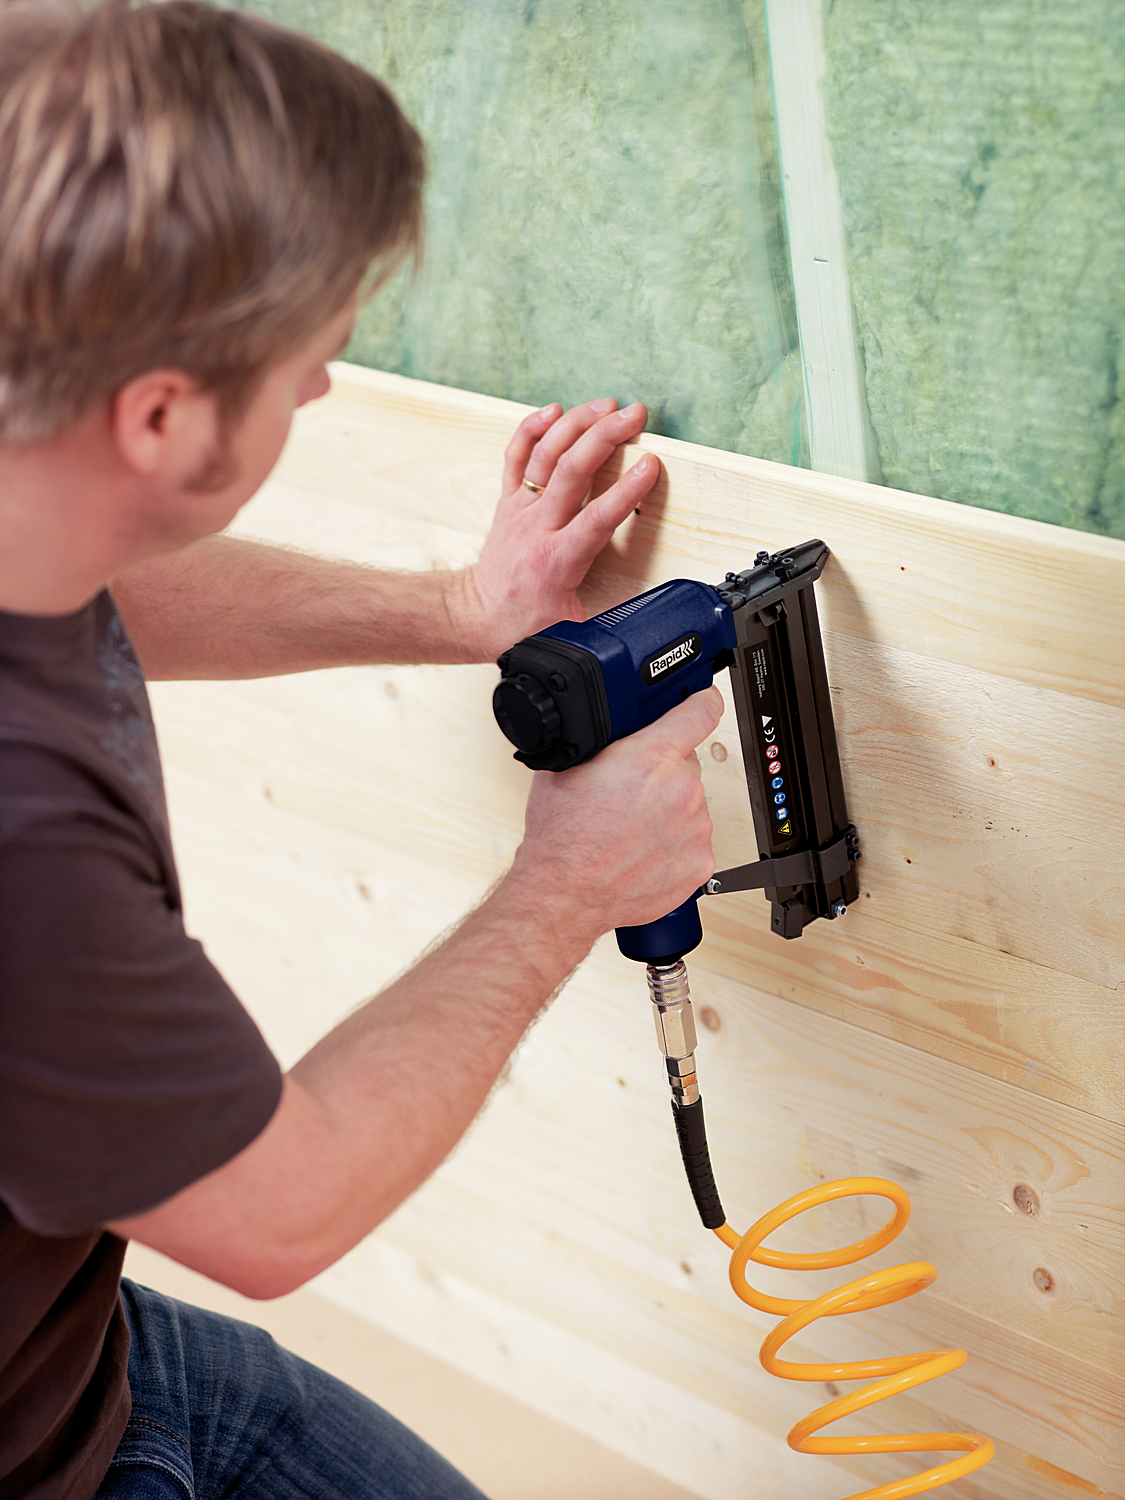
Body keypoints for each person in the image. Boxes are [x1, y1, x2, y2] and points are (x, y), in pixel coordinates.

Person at [0, 3, 722, 1497]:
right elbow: (281, 1211)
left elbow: (104, 578)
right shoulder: (23, 848)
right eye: (303, 363)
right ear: (159, 416)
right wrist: (571, 880)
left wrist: (461, 611)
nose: (323, 387)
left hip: (64, 1349)